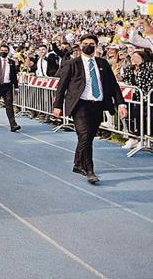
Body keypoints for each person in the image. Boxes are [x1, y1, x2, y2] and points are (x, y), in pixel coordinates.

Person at [53, 34, 127, 184]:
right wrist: (57, 106)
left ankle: (77, 163)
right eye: (85, 43)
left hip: (97, 105)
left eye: (91, 44)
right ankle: (89, 170)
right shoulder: (72, 64)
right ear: (80, 46)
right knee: (85, 136)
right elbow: (62, 87)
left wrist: (121, 103)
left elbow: (113, 85)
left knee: (87, 137)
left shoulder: (103, 63)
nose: (88, 46)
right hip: (80, 105)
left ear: (96, 46)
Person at [120, 50, 153, 149]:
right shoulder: (129, 69)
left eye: (136, 57)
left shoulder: (149, 67)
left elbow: (149, 83)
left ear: (142, 58)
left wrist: (144, 93)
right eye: (131, 57)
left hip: (148, 97)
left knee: (148, 117)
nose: (132, 59)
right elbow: (126, 79)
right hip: (135, 98)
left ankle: (146, 139)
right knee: (135, 116)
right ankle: (135, 138)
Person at [0, 43, 21, 131]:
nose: (3, 52)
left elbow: (13, 75)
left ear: (8, 51)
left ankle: (13, 125)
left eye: (5, 51)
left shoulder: (11, 62)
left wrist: (16, 87)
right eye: (2, 50)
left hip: (7, 86)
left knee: (9, 105)